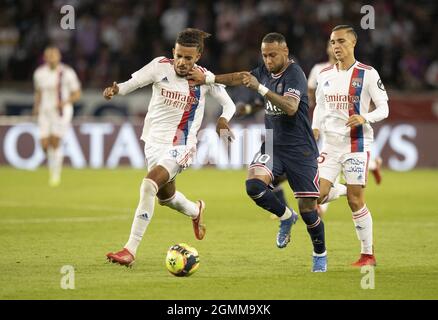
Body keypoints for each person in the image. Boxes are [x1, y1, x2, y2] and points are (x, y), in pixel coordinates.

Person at [189, 32, 327, 272]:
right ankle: (286, 217)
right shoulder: (264, 71)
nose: (268, 60)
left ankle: (319, 253)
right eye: (264, 55)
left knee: (308, 209)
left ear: (285, 51)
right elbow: (240, 77)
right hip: (273, 144)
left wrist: (261, 89)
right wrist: (208, 78)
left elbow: (292, 107)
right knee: (253, 185)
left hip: (300, 150)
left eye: (272, 55)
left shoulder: (295, 74)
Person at [104, 28, 236, 267]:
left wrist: (223, 120)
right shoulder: (159, 66)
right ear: (173, 52)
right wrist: (116, 90)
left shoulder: (205, 78)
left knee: (148, 185)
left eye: (188, 58)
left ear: (198, 56)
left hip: (182, 144)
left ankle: (130, 250)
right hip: (153, 141)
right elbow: (132, 83)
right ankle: (196, 211)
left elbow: (229, 105)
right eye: (178, 56)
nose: (182, 62)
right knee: (166, 197)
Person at [314, 25, 389, 267]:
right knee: (316, 195)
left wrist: (364, 117)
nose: (336, 46)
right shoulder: (324, 74)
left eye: (342, 41)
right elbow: (320, 107)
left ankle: (367, 255)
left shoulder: (367, 73)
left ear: (353, 43)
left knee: (356, 202)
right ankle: (348, 188)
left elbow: (384, 108)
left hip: (356, 143)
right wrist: (315, 128)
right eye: (333, 41)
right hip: (331, 145)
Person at [32, 46, 81, 187]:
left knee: (55, 141)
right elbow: (38, 93)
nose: (52, 58)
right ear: (45, 58)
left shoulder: (67, 73)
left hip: (61, 111)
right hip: (44, 111)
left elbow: (77, 93)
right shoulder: (39, 73)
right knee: (44, 145)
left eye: (54, 55)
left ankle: (55, 174)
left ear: (59, 57)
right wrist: (35, 108)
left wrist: (65, 102)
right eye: (49, 55)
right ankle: (53, 166)